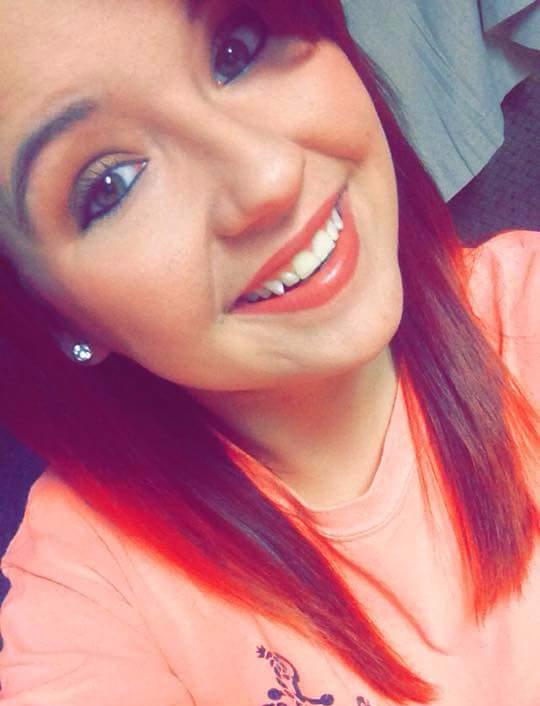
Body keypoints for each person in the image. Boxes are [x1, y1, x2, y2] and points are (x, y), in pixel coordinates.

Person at [0, 2, 538, 705]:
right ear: (49, 313)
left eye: (238, 48)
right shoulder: (86, 590)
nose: (270, 176)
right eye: (110, 186)